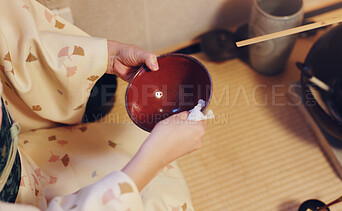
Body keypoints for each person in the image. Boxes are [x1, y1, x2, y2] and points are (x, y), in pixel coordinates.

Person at [0, 0, 206, 210]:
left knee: (105, 96)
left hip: (16, 154)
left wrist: (109, 57)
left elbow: (11, 32)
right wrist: (157, 157)